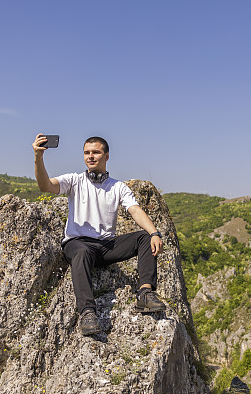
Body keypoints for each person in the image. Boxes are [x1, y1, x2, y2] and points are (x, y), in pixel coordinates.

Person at [33, 133, 167, 336]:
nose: (90, 156)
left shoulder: (118, 187)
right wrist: (38, 157)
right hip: (77, 244)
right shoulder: (74, 181)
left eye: (95, 152)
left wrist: (154, 232)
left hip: (105, 246)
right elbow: (46, 186)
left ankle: (145, 294)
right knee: (82, 252)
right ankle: (87, 312)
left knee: (145, 238)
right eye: (87, 153)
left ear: (106, 156)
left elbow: (135, 210)